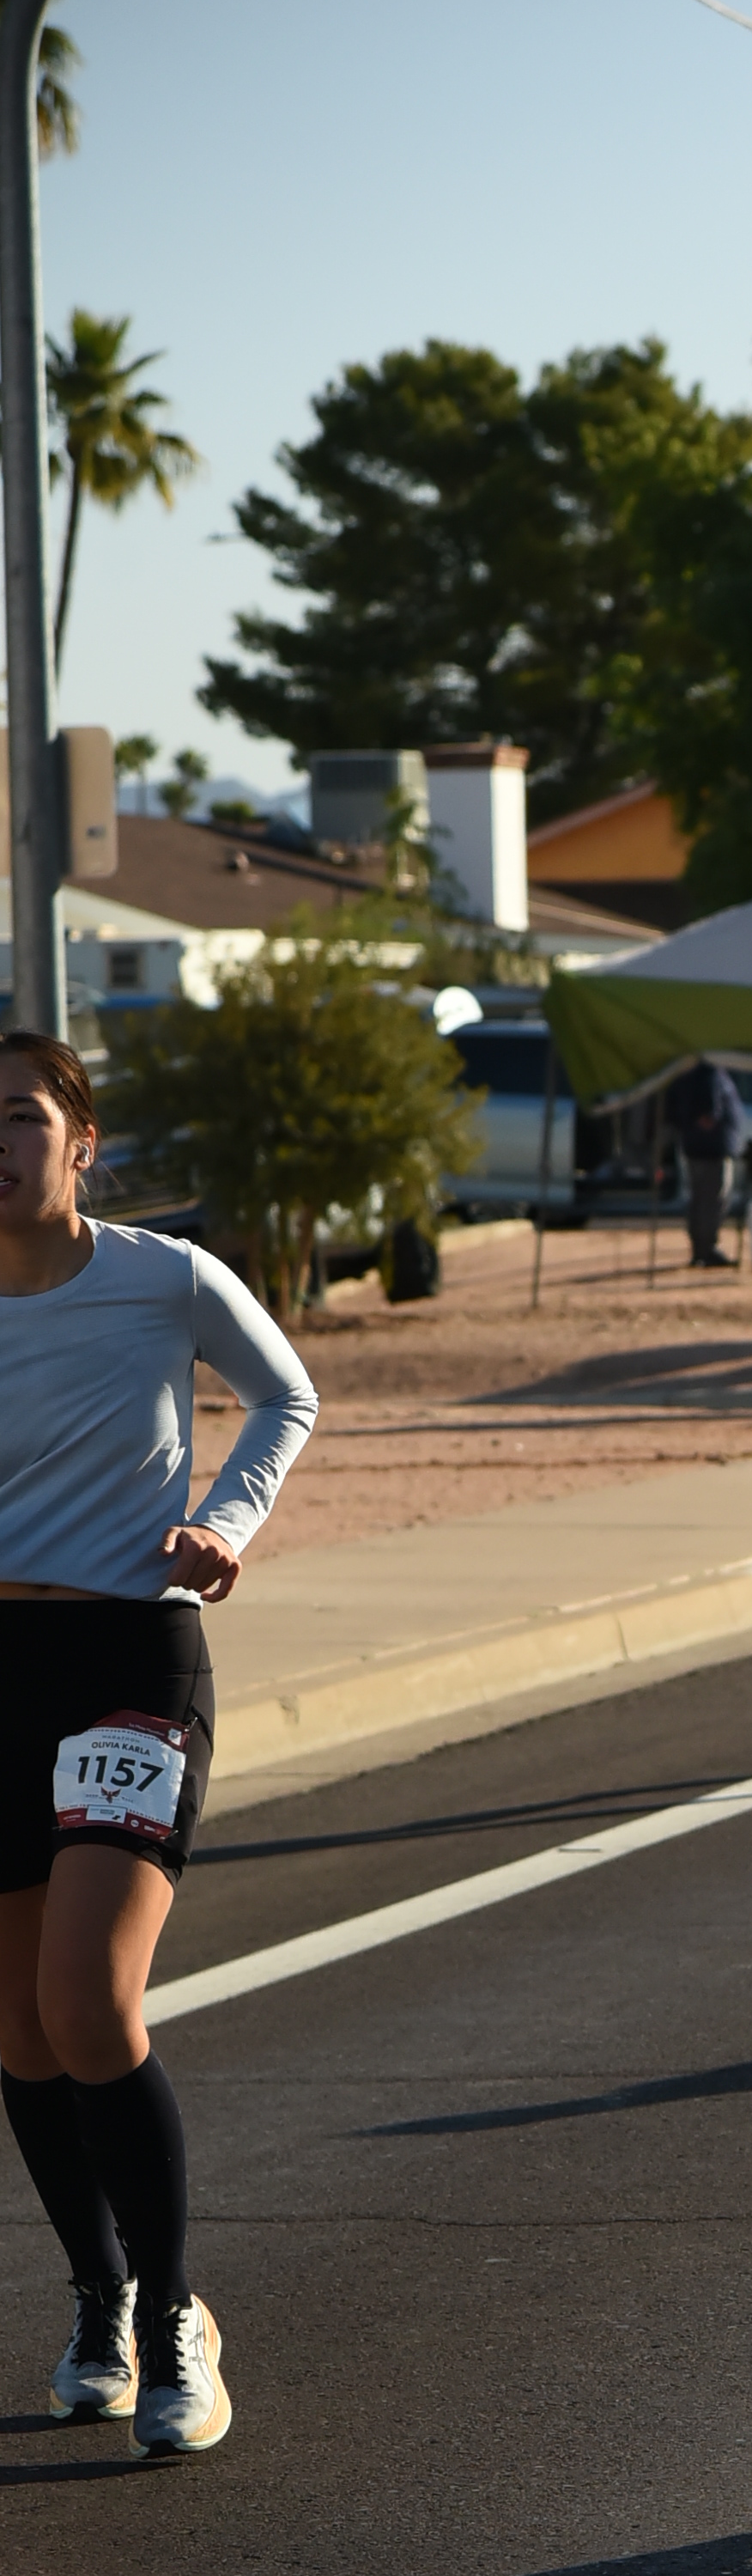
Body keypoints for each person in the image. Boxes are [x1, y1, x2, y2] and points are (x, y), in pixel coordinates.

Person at [1, 1031, 317, 2454]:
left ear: (82, 1144)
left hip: (130, 1656)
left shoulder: (163, 1276)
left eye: (22, 1116)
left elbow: (287, 1394)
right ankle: (101, 2294)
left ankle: (177, 2310)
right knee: (19, 2027)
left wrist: (226, 1523)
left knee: (88, 2003)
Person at [670, 1056, 746, 1270]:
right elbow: (708, 1115)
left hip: (696, 1148)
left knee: (699, 1199)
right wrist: (708, 1128)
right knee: (712, 1201)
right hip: (712, 1150)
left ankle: (699, 1249)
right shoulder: (709, 1074)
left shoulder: (686, 1075)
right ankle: (707, 1249)